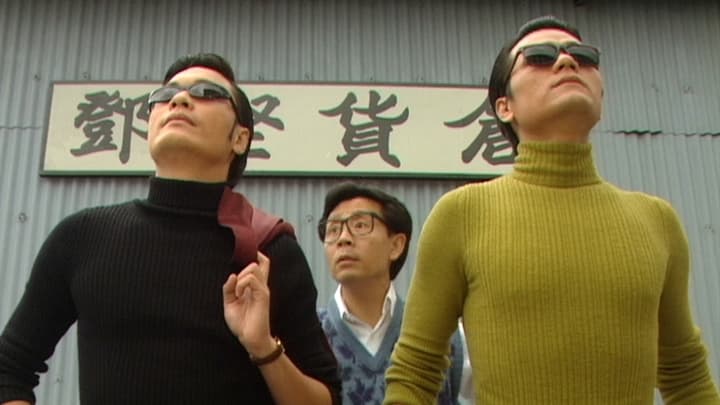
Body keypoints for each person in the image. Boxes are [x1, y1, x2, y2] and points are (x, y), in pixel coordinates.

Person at [384, 16, 720, 405]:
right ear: (504, 106)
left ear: (602, 96)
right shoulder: (462, 214)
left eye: (584, 56)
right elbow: (416, 372)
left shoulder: (656, 221)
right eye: (539, 57)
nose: (566, 61)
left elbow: (686, 375)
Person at [0, 53, 340, 405]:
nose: (179, 100)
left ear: (240, 138)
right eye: (164, 96)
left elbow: (328, 398)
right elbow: (9, 369)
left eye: (207, 92)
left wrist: (264, 348)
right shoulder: (81, 237)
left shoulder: (267, 251)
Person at [316, 182, 464, 405]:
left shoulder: (439, 335)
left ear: (396, 246)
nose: (343, 238)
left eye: (360, 225)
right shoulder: (309, 335)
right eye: (333, 230)